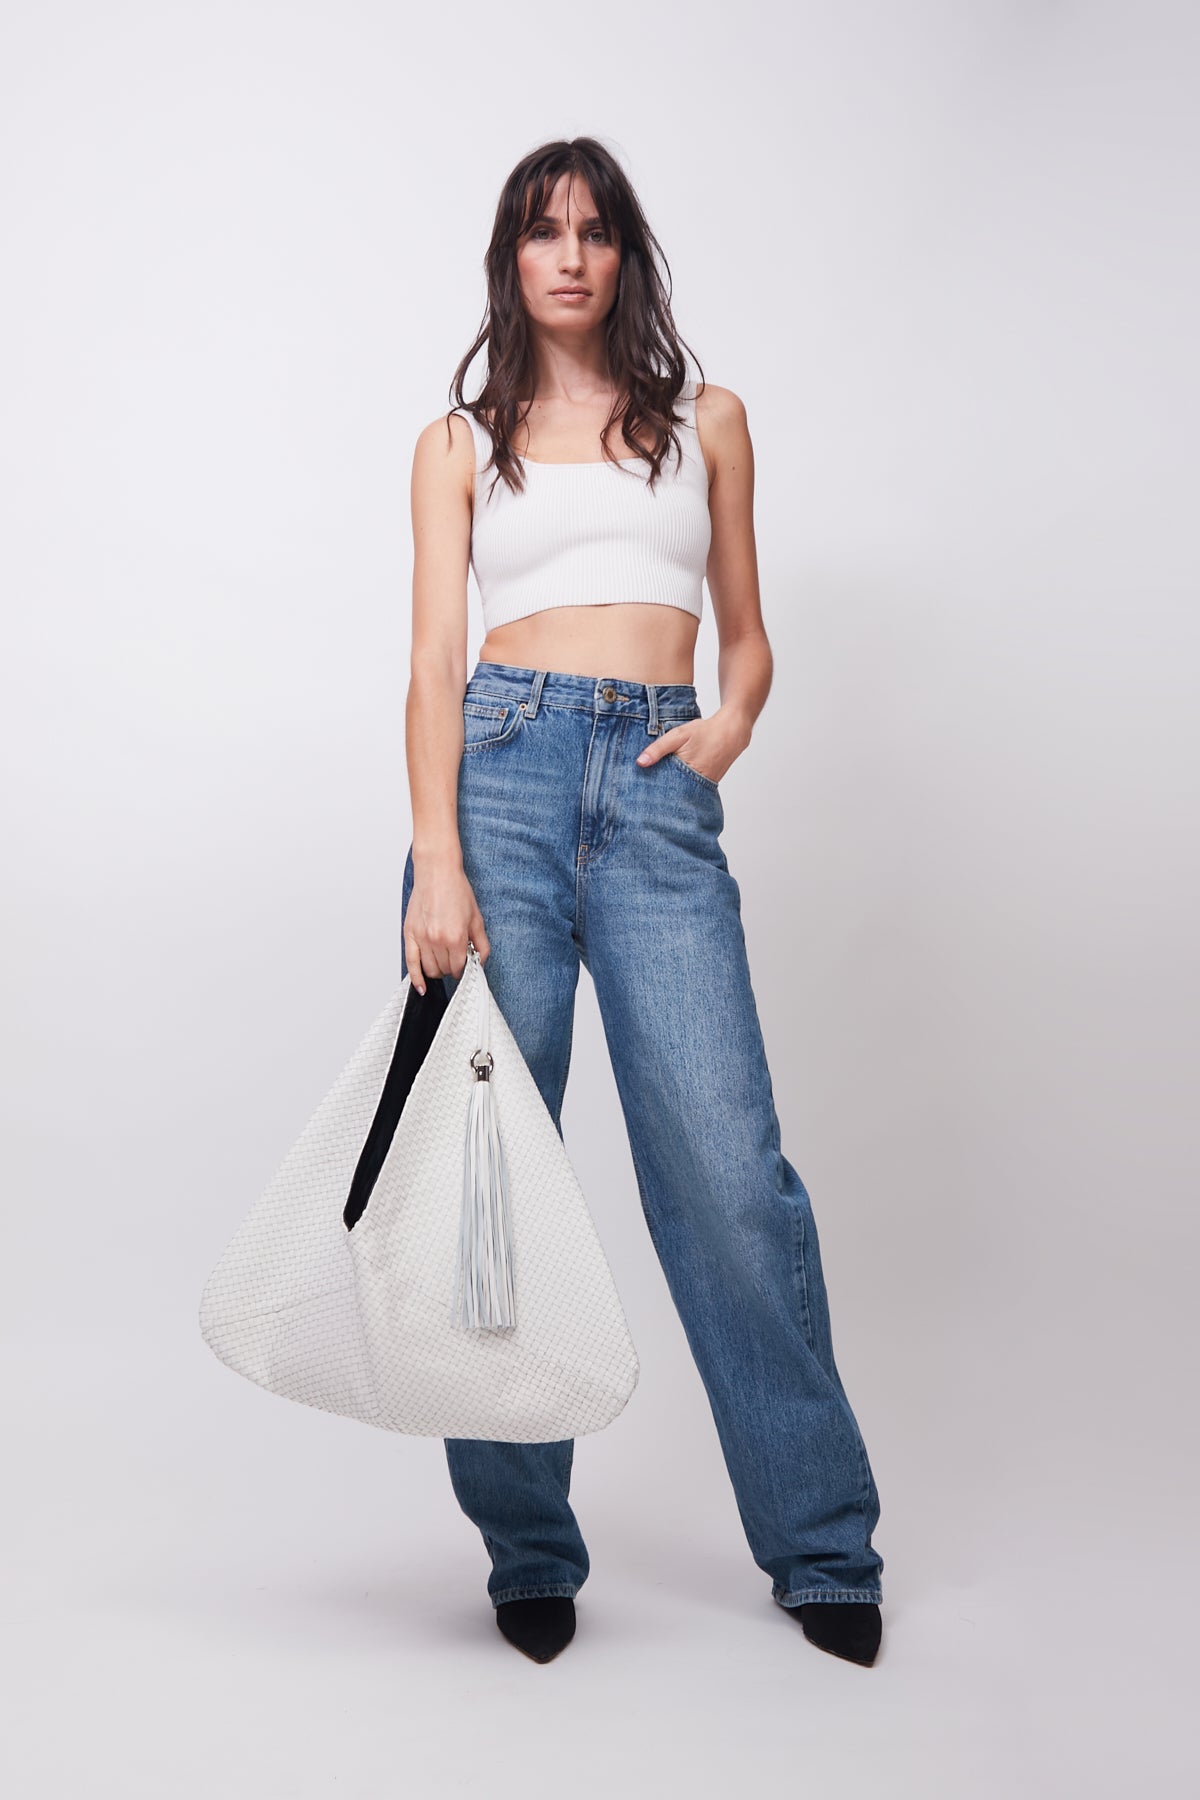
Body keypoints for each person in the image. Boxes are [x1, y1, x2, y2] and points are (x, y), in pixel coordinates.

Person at [400, 137, 885, 1667]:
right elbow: (433, 659)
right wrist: (435, 855)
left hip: (659, 789)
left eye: (596, 232)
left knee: (729, 1173)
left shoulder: (707, 422)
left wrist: (728, 727)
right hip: (499, 786)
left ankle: (822, 1545)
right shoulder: (460, 443)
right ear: (511, 256)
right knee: (495, 1183)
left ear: (626, 258)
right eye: (544, 231)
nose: (570, 256)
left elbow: (747, 633)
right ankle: (527, 1548)